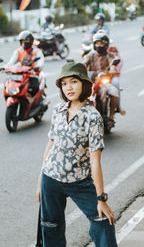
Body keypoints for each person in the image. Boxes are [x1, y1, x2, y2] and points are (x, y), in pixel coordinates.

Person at [36, 61, 118, 247]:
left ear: (84, 83)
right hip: (51, 179)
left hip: (80, 181)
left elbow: (95, 161)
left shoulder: (93, 117)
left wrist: (101, 198)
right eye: (64, 84)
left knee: (104, 221)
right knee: (51, 227)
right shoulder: (58, 110)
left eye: (73, 81)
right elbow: (50, 146)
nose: (69, 87)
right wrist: (40, 182)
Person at [83, 31, 125, 125]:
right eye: (97, 43)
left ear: (106, 44)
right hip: (92, 81)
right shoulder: (90, 55)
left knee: (114, 90)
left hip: (106, 81)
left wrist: (112, 70)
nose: (99, 45)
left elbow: (113, 65)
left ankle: (111, 115)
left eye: (101, 43)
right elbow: (83, 64)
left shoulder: (110, 55)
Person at [7, 30, 44, 96]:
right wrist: (5, 67)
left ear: (31, 41)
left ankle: (32, 102)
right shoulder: (18, 51)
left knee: (35, 87)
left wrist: (37, 67)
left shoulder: (37, 51)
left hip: (33, 74)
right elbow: (11, 62)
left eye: (26, 41)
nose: (24, 43)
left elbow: (41, 62)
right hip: (21, 75)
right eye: (22, 41)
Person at [107, 46, 126, 116]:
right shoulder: (92, 55)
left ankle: (118, 106)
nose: (113, 53)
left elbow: (115, 69)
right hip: (100, 77)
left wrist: (113, 72)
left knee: (116, 85)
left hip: (112, 76)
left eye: (115, 52)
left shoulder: (116, 58)